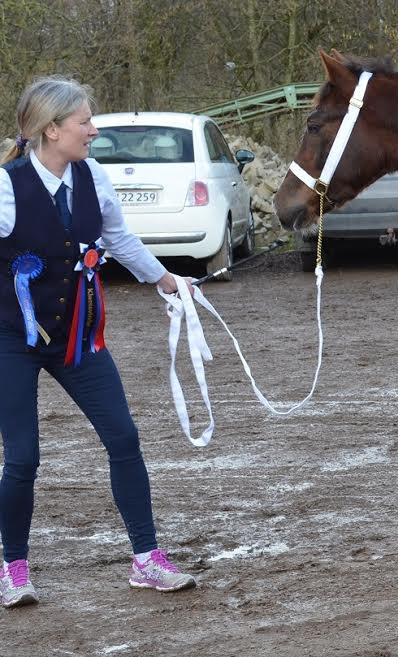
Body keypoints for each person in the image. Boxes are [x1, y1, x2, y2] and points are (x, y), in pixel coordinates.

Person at [0, 76, 197, 608]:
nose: (93, 130)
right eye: (84, 121)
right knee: (23, 457)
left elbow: (118, 239)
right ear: (51, 129)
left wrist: (164, 280)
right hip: (11, 339)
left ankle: (146, 559)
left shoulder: (94, 177)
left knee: (124, 438)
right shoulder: (5, 187)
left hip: (77, 336)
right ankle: (13, 567)